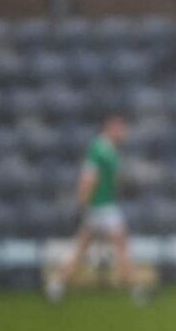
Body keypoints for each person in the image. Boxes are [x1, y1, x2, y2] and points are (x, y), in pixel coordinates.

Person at [46, 112, 143, 303]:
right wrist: (81, 205)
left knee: (83, 249)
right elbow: (88, 178)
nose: (124, 133)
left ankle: (57, 285)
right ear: (112, 128)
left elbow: (111, 179)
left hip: (102, 206)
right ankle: (136, 289)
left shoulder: (109, 150)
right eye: (121, 129)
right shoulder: (100, 149)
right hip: (102, 207)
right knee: (120, 245)